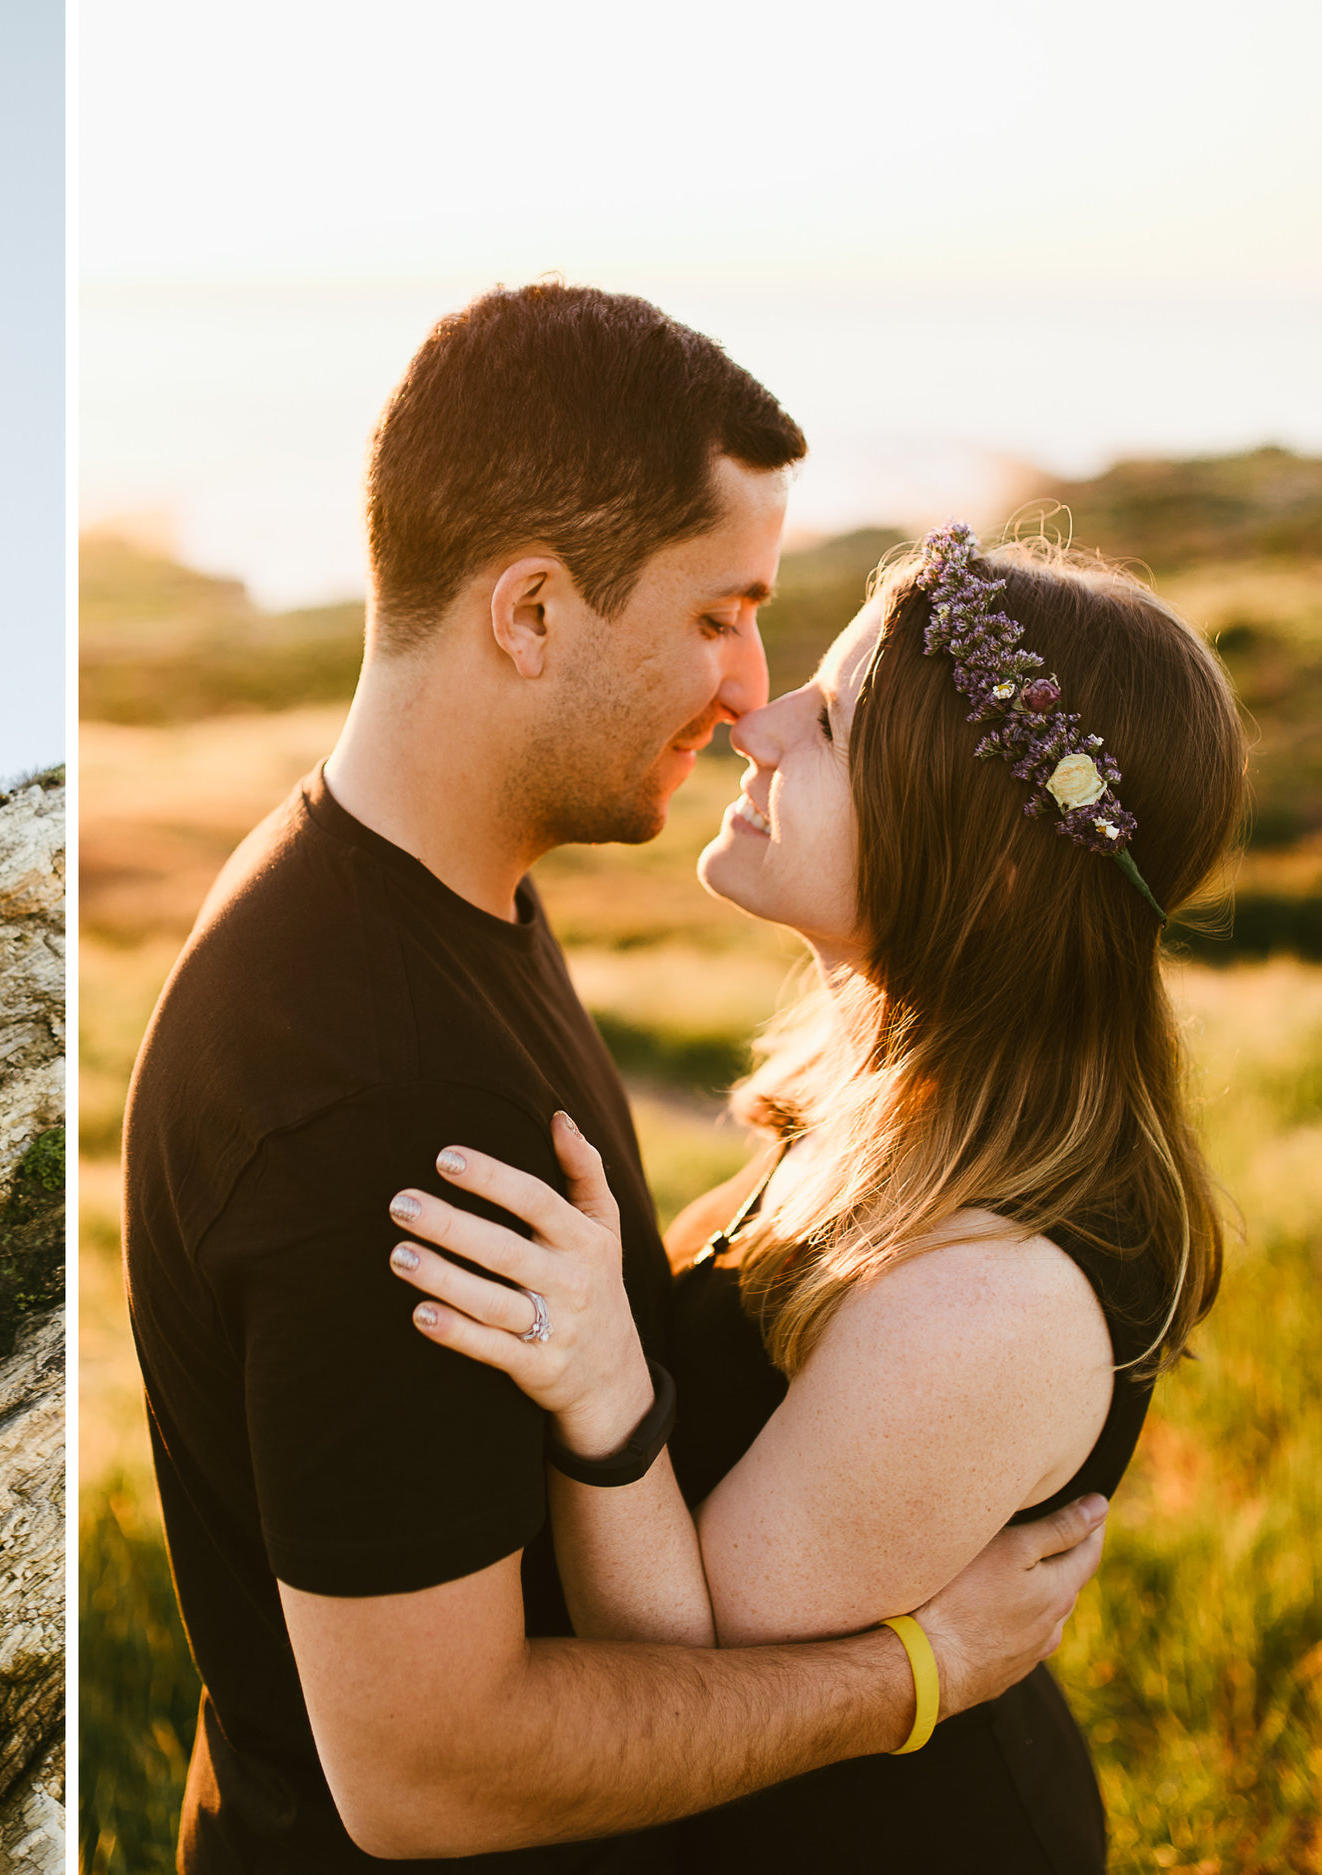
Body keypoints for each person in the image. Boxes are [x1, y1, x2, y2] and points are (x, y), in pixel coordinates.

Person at [120, 283, 1111, 1872]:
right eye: (717, 612)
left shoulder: (453, 889)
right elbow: (431, 1775)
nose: (747, 690)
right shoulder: (382, 1094)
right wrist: (917, 1670)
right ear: (529, 613)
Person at [388, 522, 1243, 1869]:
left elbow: (696, 1670)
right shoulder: (902, 1099)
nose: (757, 719)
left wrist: (603, 1386)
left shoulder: (993, 1292)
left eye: (835, 721)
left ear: (986, 859)